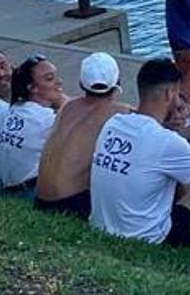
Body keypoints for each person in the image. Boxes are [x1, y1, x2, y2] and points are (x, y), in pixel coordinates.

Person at [88, 58, 190, 246]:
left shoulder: (114, 123)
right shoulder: (166, 141)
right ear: (169, 93)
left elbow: (153, 145)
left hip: (102, 228)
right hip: (149, 240)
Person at [35, 53, 129, 219]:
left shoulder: (68, 106)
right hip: (70, 204)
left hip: (40, 200)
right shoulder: (122, 113)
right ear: (118, 83)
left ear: (81, 84)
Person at [0, 54, 68, 197]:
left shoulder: (16, 108)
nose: (59, 82)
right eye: (50, 79)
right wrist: (62, 100)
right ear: (32, 88)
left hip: (8, 189)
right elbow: (82, 113)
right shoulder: (44, 119)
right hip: (29, 192)